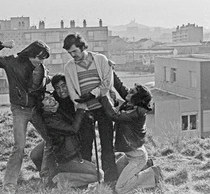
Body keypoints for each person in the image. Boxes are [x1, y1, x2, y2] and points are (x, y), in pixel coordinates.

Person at [0, 40, 52, 190]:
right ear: (30, 53)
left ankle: (46, 177)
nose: (40, 61)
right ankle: (9, 185)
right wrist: (0, 45)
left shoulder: (42, 70)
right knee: (19, 147)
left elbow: (44, 85)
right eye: (38, 57)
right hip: (19, 110)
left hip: (36, 110)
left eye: (43, 58)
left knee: (51, 140)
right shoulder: (12, 62)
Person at [62, 33, 124, 184]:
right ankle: (85, 182)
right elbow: (72, 91)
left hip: (104, 109)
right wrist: (82, 106)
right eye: (69, 53)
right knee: (86, 147)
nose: (72, 55)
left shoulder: (101, 59)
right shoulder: (69, 67)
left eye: (74, 51)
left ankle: (110, 180)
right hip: (85, 112)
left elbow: (107, 84)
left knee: (107, 145)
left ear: (82, 47)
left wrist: (91, 94)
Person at [97, 84, 163, 194]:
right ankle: (145, 167)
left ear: (137, 98)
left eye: (132, 92)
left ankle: (152, 174)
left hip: (137, 157)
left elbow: (115, 116)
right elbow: (118, 108)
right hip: (130, 155)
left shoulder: (136, 113)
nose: (128, 92)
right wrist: (113, 99)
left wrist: (104, 96)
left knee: (120, 188)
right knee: (115, 175)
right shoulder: (131, 107)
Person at [39, 93, 102, 188]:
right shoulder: (50, 121)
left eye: (50, 96)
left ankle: (64, 178)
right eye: (46, 99)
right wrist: (81, 110)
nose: (51, 99)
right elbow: (73, 129)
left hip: (73, 156)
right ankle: (61, 180)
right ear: (42, 107)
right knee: (99, 174)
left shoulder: (56, 112)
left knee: (98, 173)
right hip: (66, 160)